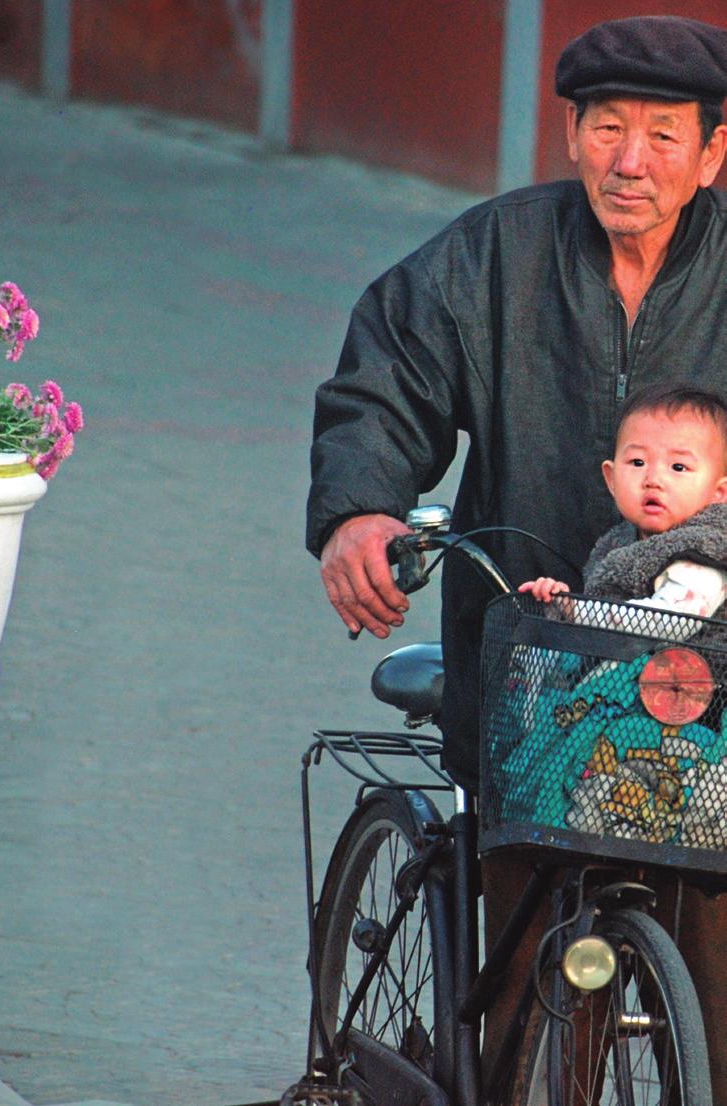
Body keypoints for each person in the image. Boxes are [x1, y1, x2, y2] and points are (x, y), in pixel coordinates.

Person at [305, 14, 727, 1096]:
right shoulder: (493, 254)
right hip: (529, 678)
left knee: (716, 963)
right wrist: (361, 509)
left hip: (699, 686)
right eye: (604, 127)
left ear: (710, 153)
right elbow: (386, 375)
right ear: (573, 133)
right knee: (525, 977)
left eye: (661, 135)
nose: (627, 160)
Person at [520, 383, 727, 625]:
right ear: (611, 479)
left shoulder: (704, 553)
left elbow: (668, 621)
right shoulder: (617, 545)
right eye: (638, 462)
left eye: (678, 467)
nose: (653, 480)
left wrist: (578, 610)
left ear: (719, 493)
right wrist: (560, 604)